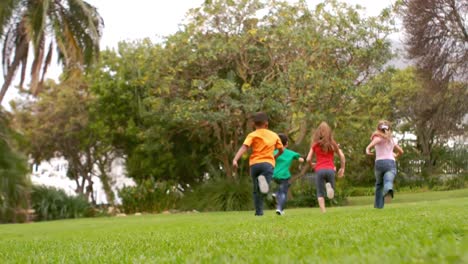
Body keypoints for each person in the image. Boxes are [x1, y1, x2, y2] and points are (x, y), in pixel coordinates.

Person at [232, 112, 283, 216]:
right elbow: (281, 150)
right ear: (266, 124)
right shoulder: (274, 135)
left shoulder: (252, 135)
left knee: (256, 190)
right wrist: (275, 156)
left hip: (255, 164)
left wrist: (235, 159)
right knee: (264, 188)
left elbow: (244, 147)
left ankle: (259, 212)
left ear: (254, 124)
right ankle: (264, 185)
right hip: (267, 163)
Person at [306, 122, 345, 213]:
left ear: (318, 132)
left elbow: (308, 159)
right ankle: (329, 187)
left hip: (319, 169)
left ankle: (323, 211)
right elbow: (342, 156)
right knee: (331, 191)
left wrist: (312, 164)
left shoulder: (315, 144)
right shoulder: (333, 143)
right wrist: (342, 168)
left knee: (320, 192)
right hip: (331, 169)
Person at [365, 120, 404, 209]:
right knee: (388, 180)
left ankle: (378, 206)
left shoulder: (377, 137)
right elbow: (401, 151)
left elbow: (371, 145)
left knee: (379, 184)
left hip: (379, 163)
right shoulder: (392, 140)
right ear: (389, 129)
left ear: (378, 129)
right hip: (390, 162)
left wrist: (368, 149)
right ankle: (388, 189)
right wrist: (396, 155)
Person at [272, 134, 304, 216]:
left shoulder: (274, 152)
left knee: (285, 186)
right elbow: (301, 159)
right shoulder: (290, 153)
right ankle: (279, 208)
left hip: (275, 176)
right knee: (283, 193)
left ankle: (277, 194)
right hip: (284, 176)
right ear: (287, 143)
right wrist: (301, 159)